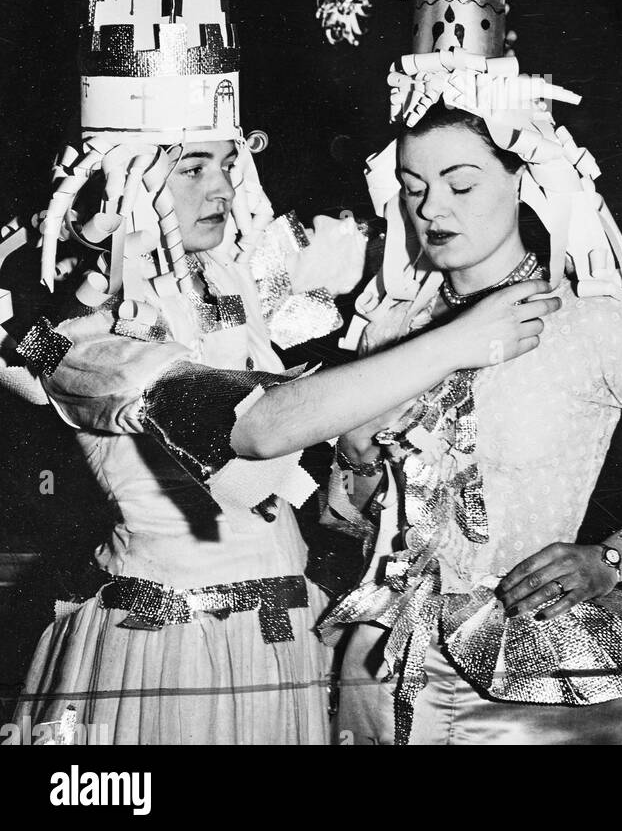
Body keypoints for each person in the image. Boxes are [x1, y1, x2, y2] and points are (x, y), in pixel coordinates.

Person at [9, 134, 555, 746]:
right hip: (167, 644)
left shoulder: (237, 275)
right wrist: (459, 342)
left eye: (228, 165)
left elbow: (395, 239)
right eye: (193, 169)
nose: (223, 187)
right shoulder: (71, 342)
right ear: (122, 186)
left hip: (285, 629)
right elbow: (255, 428)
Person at [324, 105, 622, 746]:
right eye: (413, 189)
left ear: (523, 181)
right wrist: (355, 458)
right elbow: (349, 518)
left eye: (461, 185)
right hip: (386, 669)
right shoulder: (390, 330)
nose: (432, 208)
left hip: (540, 678)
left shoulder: (589, 326)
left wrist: (615, 556)